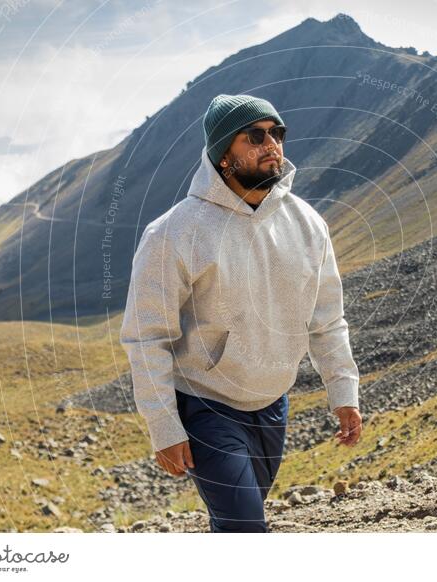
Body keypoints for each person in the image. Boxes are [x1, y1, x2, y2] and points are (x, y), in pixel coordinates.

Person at [119, 93, 362, 532]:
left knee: (235, 524)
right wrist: (163, 426)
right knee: (245, 529)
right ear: (223, 157)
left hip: (272, 404)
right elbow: (146, 336)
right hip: (206, 405)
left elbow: (327, 319)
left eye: (277, 133)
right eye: (255, 136)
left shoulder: (308, 224)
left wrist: (344, 393)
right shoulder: (173, 233)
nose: (272, 144)